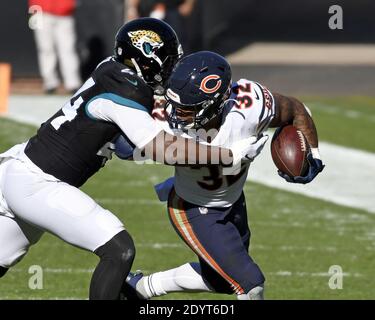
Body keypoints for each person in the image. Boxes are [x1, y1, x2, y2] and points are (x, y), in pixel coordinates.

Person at [0, 20, 255, 300]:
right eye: (168, 63)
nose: (171, 71)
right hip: (38, 183)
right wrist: (228, 155)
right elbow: (159, 147)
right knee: (118, 250)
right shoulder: (127, 89)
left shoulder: (111, 68)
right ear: (147, 60)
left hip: (22, 171)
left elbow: (124, 143)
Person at [122, 51, 325, 300]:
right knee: (250, 284)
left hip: (233, 202)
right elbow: (126, 149)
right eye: (176, 104)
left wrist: (313, 154)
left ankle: (139, 288)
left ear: (216, 104)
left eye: (188, 109)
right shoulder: (165, 122)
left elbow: (297, 110)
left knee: (222, 280)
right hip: (193, 209)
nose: (176, 114)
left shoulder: (250, 106)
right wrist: (230, 155)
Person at [28, 0, 82, 94]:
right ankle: (50, 83)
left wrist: (70, 5)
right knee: (45, 49)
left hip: (65, 14)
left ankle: (73, 83)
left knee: (68, 50)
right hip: (42, 13)